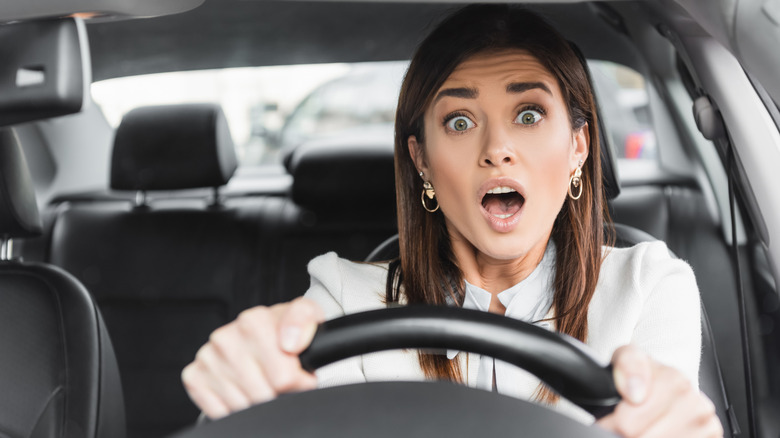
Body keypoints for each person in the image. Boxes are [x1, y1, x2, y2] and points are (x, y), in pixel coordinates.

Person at [181, 4, 722, 436]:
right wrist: (248, 385)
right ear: (422, 162)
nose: (497, 149)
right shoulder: (345, 295)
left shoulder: (649, 284)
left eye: (529, 114)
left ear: (578, 145)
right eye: (460, 121)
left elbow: (659, 410)